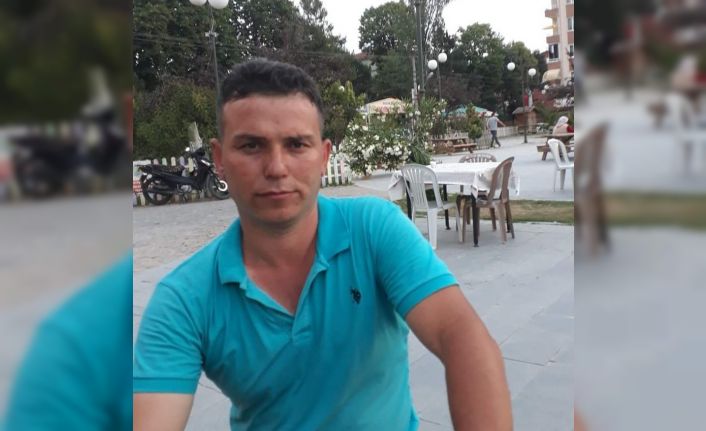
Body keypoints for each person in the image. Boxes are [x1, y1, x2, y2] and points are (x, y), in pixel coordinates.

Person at [133, 59, 512, 431]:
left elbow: (462, 338)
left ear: (324, 156)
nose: (276, 168)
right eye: (251, 146)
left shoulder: (373, 229)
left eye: (296, 144)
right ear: (219, 160)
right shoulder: (185, 299)